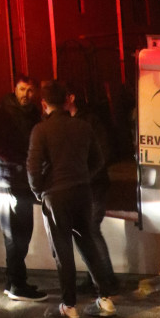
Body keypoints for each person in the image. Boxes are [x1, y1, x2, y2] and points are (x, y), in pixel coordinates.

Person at [27, 78, 118, 318]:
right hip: (82, 192)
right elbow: (99, 160)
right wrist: (82, 177)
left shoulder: (40, 130)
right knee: (87, 242)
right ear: (67, 100)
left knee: (62, 249)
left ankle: (69, 305)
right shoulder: (83, 127)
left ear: (44, 103)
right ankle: (106, 299)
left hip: (55, 195)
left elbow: (32, 169)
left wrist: (39, 192)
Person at [0, 76, 48, 301]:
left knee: (21, 233)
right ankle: (16, 284)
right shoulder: (4, 111)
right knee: (15, 235)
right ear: (15, 89)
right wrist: (19, 161)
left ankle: (13, 281)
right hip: (5, 180)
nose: (26, 94)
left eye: (30, 90)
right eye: (22, 89)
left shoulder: (32, 114)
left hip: (21, 182)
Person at [65, 83, 115, 289]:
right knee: (88, 231)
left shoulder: (90, 120)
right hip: (83, 185)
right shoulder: (68, 122)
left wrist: (85, 175)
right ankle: (98, 277)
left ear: (72, 97)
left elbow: (103, 153)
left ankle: (105, 279)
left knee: (91, 230)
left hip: (93, 186)